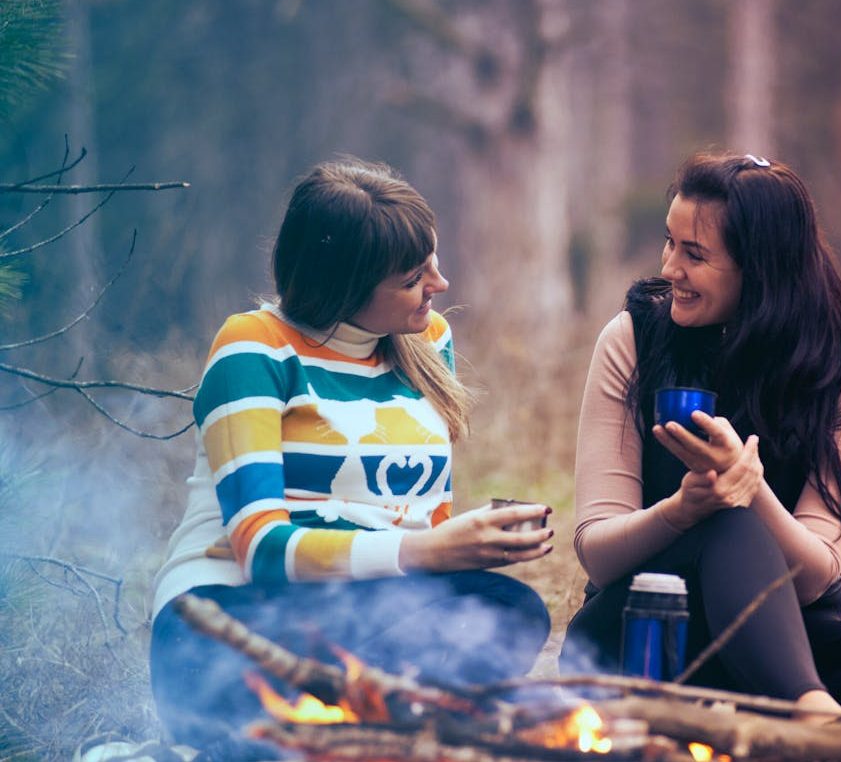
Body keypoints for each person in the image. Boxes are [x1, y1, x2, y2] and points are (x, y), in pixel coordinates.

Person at [565, 152, 841, 760]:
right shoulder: (634, 339)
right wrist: (683, 511)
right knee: (724, 524)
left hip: (781, 639)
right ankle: (808, 718)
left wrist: (752, 489)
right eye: (670, 244)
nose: (670, 268)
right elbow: (598, 550)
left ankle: (759, 721)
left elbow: (818, 572)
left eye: (695, 254)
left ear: (762, 269)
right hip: (638, 637)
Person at [150, 159, 553, 759]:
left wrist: (464, 547)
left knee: (508, 608)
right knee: (429, 635)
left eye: (433, 262)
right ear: (344, 285)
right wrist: (428, 552)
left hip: (363, 612)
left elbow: (423, 516)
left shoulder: (427, 339)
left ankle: (367, 734)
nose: (439, 284)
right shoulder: (254, 347)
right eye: (415, 276)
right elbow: (261, 551)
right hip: (228, 622)